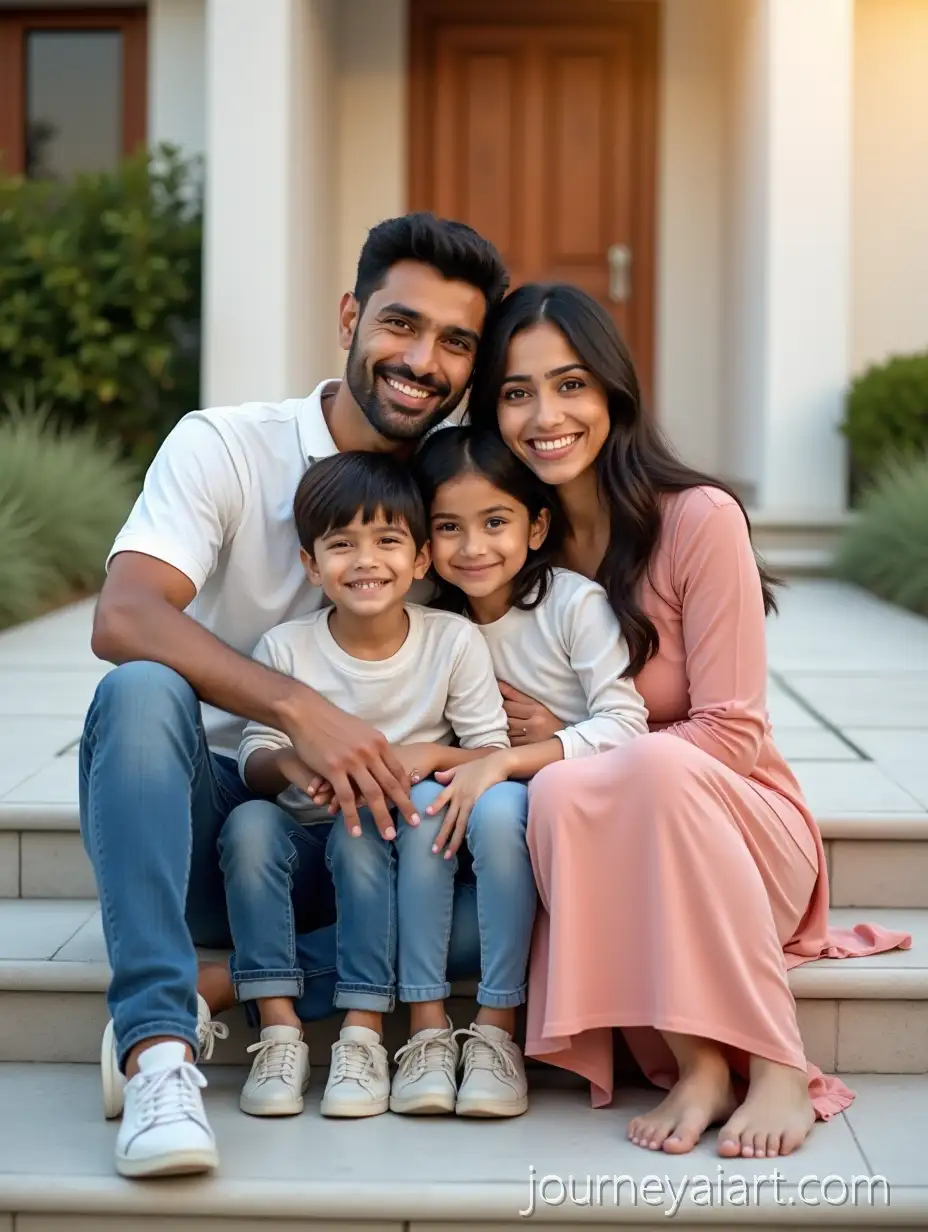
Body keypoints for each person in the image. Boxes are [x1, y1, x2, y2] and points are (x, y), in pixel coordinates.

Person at [79, 212, 508, 1179]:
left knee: (521, 908)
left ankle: (218, 982)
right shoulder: (228, 446)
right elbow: (125, 614)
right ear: (350, 318)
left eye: (454, 342)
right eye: (400, 324)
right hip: (223, 825)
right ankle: (158, 1054)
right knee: (141, 689)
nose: (423, 361)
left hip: (386, 842)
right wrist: (300, 711)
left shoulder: (461, 489)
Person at [466, 282, 911, 1160]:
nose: (546, 417)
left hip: (743, 832)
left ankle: (775, 1062)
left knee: (631, 769)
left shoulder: (699, 518)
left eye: (570, 384)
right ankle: (699, 1065)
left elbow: (733, 734)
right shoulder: (515, 541)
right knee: (557, 794)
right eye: (517, 393)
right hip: (614, 836)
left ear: (613, 390)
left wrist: (569, 743)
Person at [199, 449, 528, 1122]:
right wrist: (294, 764)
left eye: (387, 541)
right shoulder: (287, 646)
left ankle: (363, 1035)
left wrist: (423, 755)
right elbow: (254, 756)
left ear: (420, 559)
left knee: (370, 828)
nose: (366, 560)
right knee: (248, 824)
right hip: (303, 852)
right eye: (342, 544)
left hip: (404, 851)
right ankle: (279, 1034)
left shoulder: (451, 641)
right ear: (311, 564)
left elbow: (490, 752)